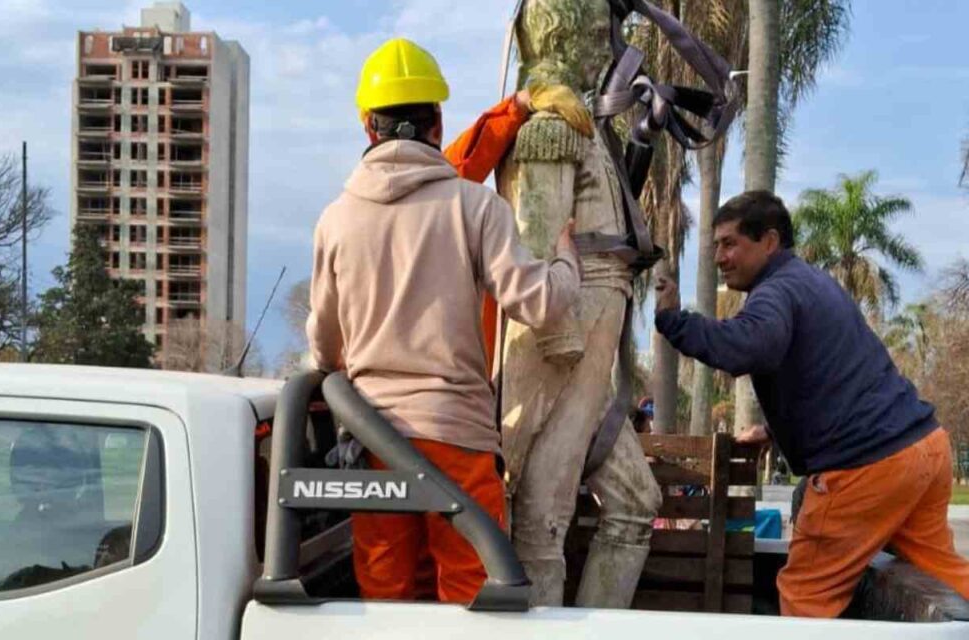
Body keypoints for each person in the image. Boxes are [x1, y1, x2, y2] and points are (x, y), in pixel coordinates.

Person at [306, 38, 581, 605]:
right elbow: (540, 303)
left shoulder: (336, 221)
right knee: (469, 598)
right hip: (458, 438)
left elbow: (324, 344)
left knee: (385, 597)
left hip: (374, 445)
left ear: (368, 128)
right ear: (436, 122)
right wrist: (565, 260)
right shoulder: (474, 207)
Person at [653, 190, 969, 617]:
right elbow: (833, 377)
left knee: (806, 596)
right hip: (924, 448)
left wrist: (673, 319)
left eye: (730, 244)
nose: (719, 257)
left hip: (866, 465)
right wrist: (773, 431)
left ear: (768, 241)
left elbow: (748, 346)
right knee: (945, 575)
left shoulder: (775, 292)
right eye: (716, 247)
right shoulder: (810, 282)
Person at [494, 0, 661, 608]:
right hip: (563, 342)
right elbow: (538, 249)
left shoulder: (582, 126)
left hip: (594, 343)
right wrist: (558, 343)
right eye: (597, 32)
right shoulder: (551, 129)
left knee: (636, 505)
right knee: (542, 523)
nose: (607, 46)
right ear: (563, 34)